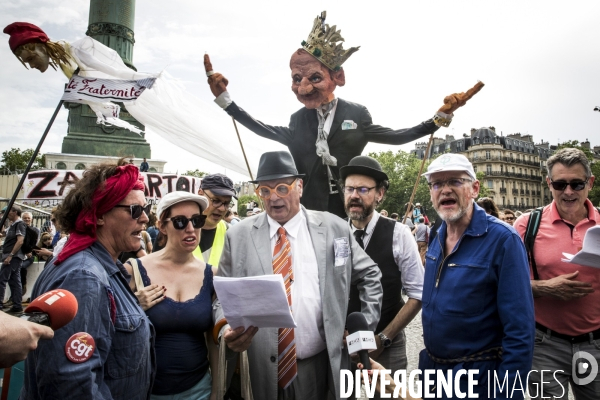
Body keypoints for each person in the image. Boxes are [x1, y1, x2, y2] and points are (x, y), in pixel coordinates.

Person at [205, 12, 483, 218]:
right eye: (296, 78)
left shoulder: (355, 113)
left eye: (314, 77)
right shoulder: (298, 120)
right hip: (307, 208)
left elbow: (399, 137)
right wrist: (225, 100)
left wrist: (439, 118)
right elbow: (259, 127)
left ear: (337, 77)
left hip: (352, 206)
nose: (303, 87)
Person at [213, 151, 382, 400]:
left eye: (282, 188)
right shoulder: (238, 235)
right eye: (265, 191)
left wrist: (363, 328)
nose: (274, 198)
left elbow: (370, 274)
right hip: (259, 371)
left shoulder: (334, 228)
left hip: (318, 367)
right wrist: (225, 329)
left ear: (299, 186)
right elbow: (221, 297)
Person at [21, 160, 154, 400]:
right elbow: (72, 385)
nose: (145, 218)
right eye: (135, 210)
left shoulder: (98, 265)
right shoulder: (83, 278)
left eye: (147, 208)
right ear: (100, 214)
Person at [419, 153, 534, 399]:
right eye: (437, 184)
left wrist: (508, 392)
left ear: (475, 188)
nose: (445, 190)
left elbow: (520, 330)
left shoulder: (504, 240)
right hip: (433, 373)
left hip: (480, 379)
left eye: (456, 181)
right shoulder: (436, 234)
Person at [514, 148, 599, 399]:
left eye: (576, 183)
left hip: (596, 345)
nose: (569, 191)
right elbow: (501, 284)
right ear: (549, 183)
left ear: (590, 183)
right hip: (544, 346)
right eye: (560, 184)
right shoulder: (527, 225)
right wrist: (544, 288)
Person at [341, 155, 423, 394]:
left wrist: (384, 338)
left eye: (363, 189)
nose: (354, 195)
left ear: (380, 194)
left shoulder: (399, 234)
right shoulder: (333, 233)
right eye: (349, 188)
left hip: (387, 343)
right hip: (342, 345)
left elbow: (418, 294)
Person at [125, 191, 218, 399]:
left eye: (197, 220)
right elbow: (107, 328)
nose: (191, 229)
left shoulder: (211, 275)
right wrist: (132, 307)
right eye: (180, 222)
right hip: (146, 391)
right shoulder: (134, 271)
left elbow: (213, 341)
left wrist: (217, 391)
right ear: (162, 226)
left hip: (198, 390)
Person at [194, 173, 236, 266]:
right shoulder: (178, 228)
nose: (222, 208)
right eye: (216, 201)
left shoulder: (231, 234)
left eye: (227, 203)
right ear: (200, 194)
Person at [0, 205, 26, 314]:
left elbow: (20, 241)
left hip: (13, 256)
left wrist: (10, 255)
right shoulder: (13, 225)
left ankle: (0, 304)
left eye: (8, 212)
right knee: (14, 281)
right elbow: (3, 234)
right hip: (14, 256)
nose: (7, 214)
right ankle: (17, 305)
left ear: (15, 212)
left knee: (2, 279)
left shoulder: (19, 224)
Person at [20, 211, 39, 296]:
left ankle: (23, 286)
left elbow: (35, 243)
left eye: (28, 218)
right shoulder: (19, 228)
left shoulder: (35, 230)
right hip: (19, 254)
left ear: (31, 219)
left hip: (30, 255)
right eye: (25, 218)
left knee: (22, 266)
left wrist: (29, 251)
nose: (26, 219)